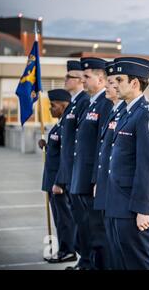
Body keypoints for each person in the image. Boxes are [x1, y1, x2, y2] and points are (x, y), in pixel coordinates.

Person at [105, 57, 149, 270]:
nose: (114, 84)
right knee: (121, 262)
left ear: (135, 83)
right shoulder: (127, 113)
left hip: (132, 208)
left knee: (140, 264)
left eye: (120, 79)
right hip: (117, 203)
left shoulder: (147, 116)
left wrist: (143, 210)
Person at [68, 57, 113, 270]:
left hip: (90, 181)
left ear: (101, 79)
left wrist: (96, 179)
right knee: (86, 229)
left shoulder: (104, 104)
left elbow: (101, 146)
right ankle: (87, 264)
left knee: (97, 233)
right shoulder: (90, 103)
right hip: (81, 178)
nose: (82, 80)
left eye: (87, 76)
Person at [51, 60, 89, 265]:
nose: (65, 80)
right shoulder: (76, 102)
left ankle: (85, 260)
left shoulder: (83, 101)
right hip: (70, 174)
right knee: (79, 222)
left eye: (69, 77)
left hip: (76, 174)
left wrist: (63, 178)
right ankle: (83, 261)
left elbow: (77, 145)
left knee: (81, 223)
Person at [92, 61, 127, 269]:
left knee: (123, 251)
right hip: (108, 188)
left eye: (114, 82)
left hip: (120, 194)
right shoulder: (114, 112)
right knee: (109, 243)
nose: (107, 86)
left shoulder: (127, 113)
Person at [39, 89, 77, 264]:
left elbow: (67, 155)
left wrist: (59, 182)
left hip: (59, 183)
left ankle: (68, 250)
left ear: (63, 105)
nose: (49, 109)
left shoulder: (67, 125)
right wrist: (46, 145)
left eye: (52, 105)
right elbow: (57, 149)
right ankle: (65, 248)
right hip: (53, 180)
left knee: (64, 220)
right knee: (59, 218)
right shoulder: (59, 124)